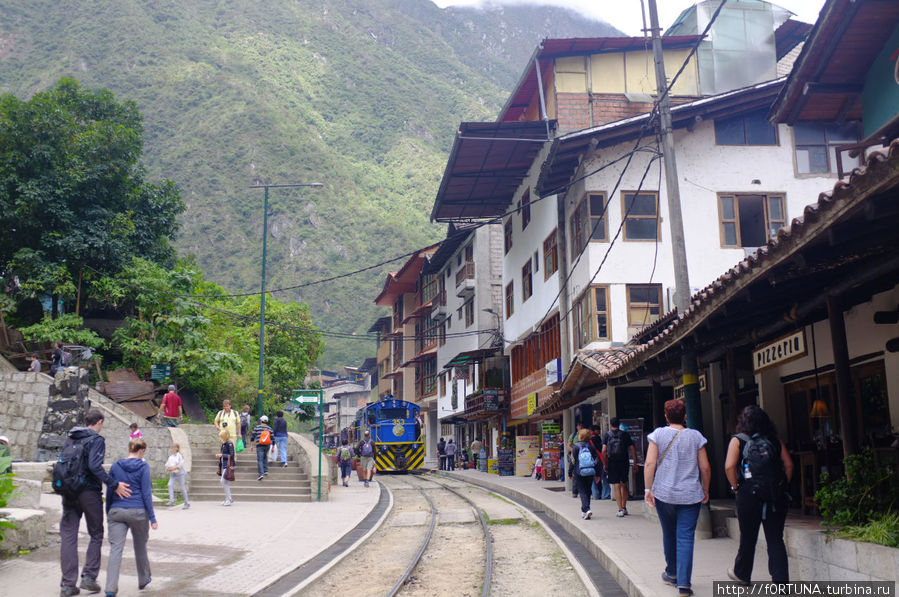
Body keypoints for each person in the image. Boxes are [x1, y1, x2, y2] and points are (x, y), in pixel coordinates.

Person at [59, 409, 132, 597]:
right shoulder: (96, 440)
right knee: (96, 533)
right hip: (89, 492)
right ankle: (89, 577)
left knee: (68, 534)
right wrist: (113, 484)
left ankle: (68, 585)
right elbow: (94, 465)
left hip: (69, 491)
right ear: (99, 422)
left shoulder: (71, 438)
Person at [644, 399, 711, 597]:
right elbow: (705, 467)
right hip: (690, 495)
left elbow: (649, 464)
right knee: (685, 537)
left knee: (669, 533)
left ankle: (672, 573)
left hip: (664, 494)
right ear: (685, 416)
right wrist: (705, 489)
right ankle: (684, 584)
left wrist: (648, 489)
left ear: (666, 416)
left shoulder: (657, 435)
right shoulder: (696, 436)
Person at [725, 405, 793, 585]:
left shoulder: (738, 440)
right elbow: (789, 465)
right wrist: (780, 485)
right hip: (775, 496)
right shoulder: (774, 440)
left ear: (742, 422)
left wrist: (736, 487)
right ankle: (781, 581)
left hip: (748, 495)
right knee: (775, 538)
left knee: (748, 537)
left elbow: (729, 466)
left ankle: (742, 574)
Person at [104, 438, 157, 596]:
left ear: (129, 449)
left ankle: (110, 588)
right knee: (140, 546)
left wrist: (108, 511)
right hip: (138, 511)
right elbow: (147, 494)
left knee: (115, 550)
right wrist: (153, 518)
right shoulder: (143, 466)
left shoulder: (115, 466)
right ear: (141, 451)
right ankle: (143, 578)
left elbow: (109, 491)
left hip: (117, 511)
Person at [603, 417, 637, 517]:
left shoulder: (607, 435)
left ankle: (620, 509)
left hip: (612, 462)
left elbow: (604, 450)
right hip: (624, 461)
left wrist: (605, 463)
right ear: (619, 424)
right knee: (624, 484)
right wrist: (635, 462)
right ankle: (624, 506)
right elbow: (632, 448)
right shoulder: (625, 434)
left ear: (610, 425)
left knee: (616, 485)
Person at [573, 428, 599, 520]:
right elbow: (596, 460)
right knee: (588, 490)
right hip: (590, 471)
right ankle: (584, 511)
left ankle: (586, 509)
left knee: (582, 491)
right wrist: (597, 474)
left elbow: (573, 461)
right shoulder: (591, 447)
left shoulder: (575, 446)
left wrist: (570, 473)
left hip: (579, 472)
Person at [165, 443, 190, 509]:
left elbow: (179, 466)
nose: (171, 449)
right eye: (171, 448)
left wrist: (172, 468)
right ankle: (172, 501)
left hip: (180, 474)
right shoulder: (171, 456)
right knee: (169, 485)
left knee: (182, 488)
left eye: (172, 448)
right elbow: (168, 464)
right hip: (173, 474)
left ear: (176, 449)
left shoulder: (179, 456)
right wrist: (168, 468)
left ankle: (187, 503)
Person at [251, 415, 274, 481]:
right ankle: (265, 470)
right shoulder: (269, 428)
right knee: (265, 457)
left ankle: (261, 474)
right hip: (267, 445)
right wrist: (273, 447)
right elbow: (273, 438)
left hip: (259, 445)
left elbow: (252, 436)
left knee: (260, 459)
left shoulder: (257, 427)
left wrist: (252, 445)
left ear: (261, 421)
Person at [215, 429, 235, 506]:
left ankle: (229, 499)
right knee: (225, 482)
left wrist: (222, 455)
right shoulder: (224, 444)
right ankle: (228, 498)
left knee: (223, 481)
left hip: (228, 465)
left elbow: (232, 455)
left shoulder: (229, 444)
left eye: (221, 436)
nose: (220, 438)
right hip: (224, 464)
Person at [567, 422, 584, 497]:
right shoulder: (573, 435)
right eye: (579, 425)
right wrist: (575, 451)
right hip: (575, 456)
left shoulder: (585, 434)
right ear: (577, 426)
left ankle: (583, 490)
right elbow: (569, 446)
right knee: (575, 473)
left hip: (584, 457)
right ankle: (575, 491)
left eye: (581, 425)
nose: (580, 426)